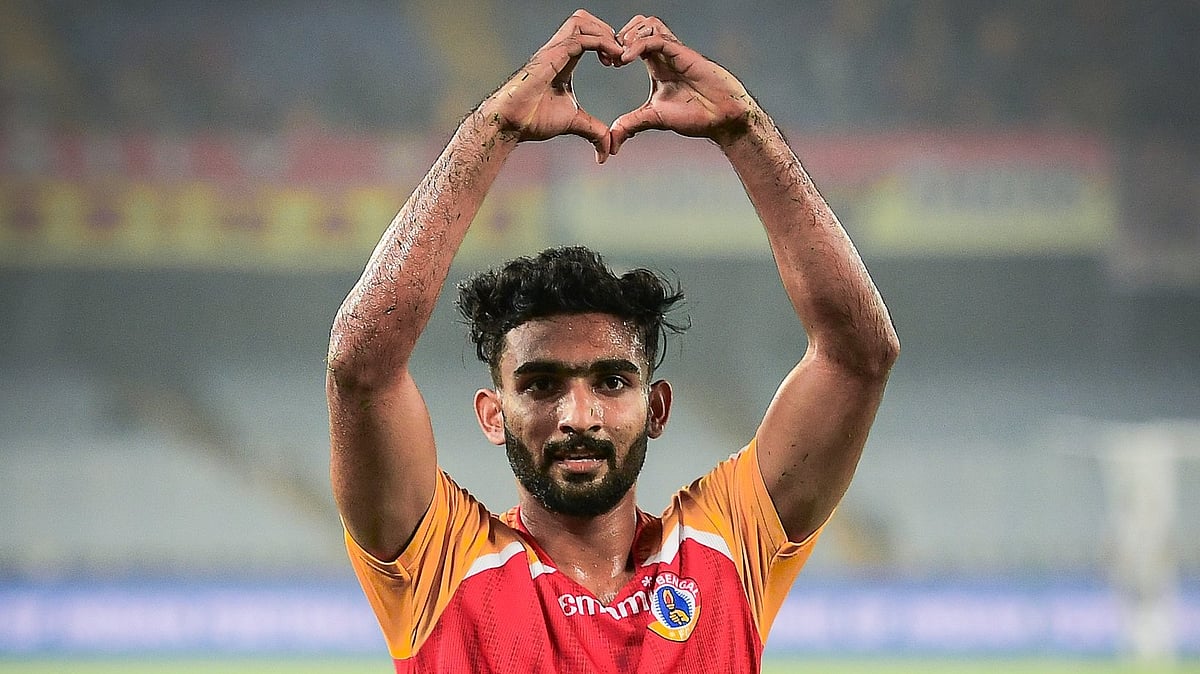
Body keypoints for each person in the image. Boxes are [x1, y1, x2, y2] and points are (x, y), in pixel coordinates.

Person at [326, 10, 898, 673]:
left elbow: (859, 356)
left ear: (656, 407)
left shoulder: (721, 548)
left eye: (611, 381)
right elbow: (360, 367)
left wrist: (747, 132)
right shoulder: (441, 563)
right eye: (541, 384)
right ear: (492, 413)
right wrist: (491, 130)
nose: (578, 416)